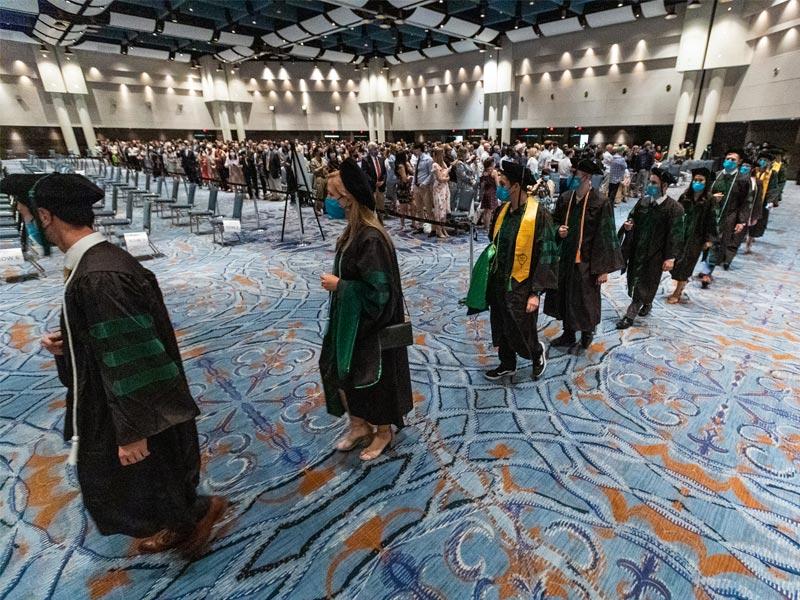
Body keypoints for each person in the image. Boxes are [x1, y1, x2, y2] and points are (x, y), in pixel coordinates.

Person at [0, 173, 227, 558]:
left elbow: (133, 353)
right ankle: (184, 519)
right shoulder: (95, 264)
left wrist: (132, 429)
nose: (27, 223)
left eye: (26, 214)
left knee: (143, 474)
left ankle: (193, 520)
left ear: (45, 214)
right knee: (149, 475)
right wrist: (72, 345)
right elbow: (113, 336)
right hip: (124, 397)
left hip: (136, 402)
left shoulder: (100, 275)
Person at [319, 158, 413, 462]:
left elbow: (379, 294)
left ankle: (384, 432)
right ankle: (358, 425)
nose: (330, 201)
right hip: (352, 321)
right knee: (341, 371)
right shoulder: (353, 231)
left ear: (349, 199)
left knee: (373, 379)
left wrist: (341, 287)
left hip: (372, 325)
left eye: (334, 196)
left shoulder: (371, 238)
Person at [466, 162, 558, 381]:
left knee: (521, 327)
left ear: (516, 187)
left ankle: (537, 354)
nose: (501, 187)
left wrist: (536, 292)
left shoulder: (539, 216)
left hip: (522, 284)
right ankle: (507, 363)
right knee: (501, 323)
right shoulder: (503, 211)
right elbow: (493, 241)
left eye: (504, 183)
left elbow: (547, 255)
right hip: (499, 279)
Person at [544, 158, 623, 349]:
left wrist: (603, 269)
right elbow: (553, 222)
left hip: (588, 260)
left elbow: (606, 235)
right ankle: (568, 334)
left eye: (574, 174)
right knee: (564, 296)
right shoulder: (565, 198)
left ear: (586, 177)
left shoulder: (601, 202)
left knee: (585, 298)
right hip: (565, 258)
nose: (571, 177)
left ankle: (587, 331)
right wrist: (557, 230)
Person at [616, 167, 685, 329]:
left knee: (646, 281)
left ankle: (630, 314)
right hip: (638, 249)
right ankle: (647, 302)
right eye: (650, 182)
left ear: (665, 186)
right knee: (635, 279)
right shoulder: (644, 202)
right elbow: (632, 217)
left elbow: (676, 235)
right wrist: (628, 225)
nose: (650, 186)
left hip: (656, 254)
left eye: (654, 183)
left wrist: (670, 257)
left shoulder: (674, 209)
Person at [697, 149, 750, 287]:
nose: (729, 161)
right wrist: (711, 198)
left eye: (733, 159)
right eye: (728, 158)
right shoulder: (716, 175)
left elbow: (745, 202)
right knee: (707, 242)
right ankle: (705, 266)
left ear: (739, 162)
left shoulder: (742, 180)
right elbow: (705, 193)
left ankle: (708, 272)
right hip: (711, 215)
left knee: (718, 243)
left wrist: (741, 221)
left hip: (728, 216)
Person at [667, 167, 717, 304]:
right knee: (676, 263)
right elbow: (676, 213)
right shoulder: (685, 196)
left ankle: (677, 292)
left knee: (687, 264)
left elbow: (712, 219)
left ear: (706, 182)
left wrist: (709, 239)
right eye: (695, 180)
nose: (697, 182)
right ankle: (682, 282)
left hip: (696, 237)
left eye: (700, 180)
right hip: (681, 235)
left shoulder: (709, 200)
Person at [411, 143, 434, 233]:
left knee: (428, 208)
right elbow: (415, 173)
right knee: (419, 208)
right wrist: (413, 186)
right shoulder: (417, 159)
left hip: (425, 187)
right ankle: (421, 226)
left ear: (419, 149)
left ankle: (433, 228)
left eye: (415, 149)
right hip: (417, 186)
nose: (413, 151)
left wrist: (424, 183)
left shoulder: (428, 159)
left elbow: (431, 174)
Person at [431, 147, 451, 239]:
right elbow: (440, 178)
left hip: (445, 188)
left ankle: (443, 228)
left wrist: (446, 178)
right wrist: (446, 178)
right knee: (439, 209)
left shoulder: (443, 163)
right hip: (438, 188)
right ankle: (438, 230)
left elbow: (447, 176)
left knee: (445, 208)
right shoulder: (434, 165)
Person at [362, 142, 387, 214]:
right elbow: (365, 174)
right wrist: (374, 182)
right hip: (372, 187)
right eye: (375, 149)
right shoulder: (365, 160)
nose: (377, 150)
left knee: (381, 208)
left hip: (381, 187)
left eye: (377, 149)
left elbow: (385, 173)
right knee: (372, 209)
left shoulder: (382, 159)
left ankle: (381, 223)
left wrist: (382, 182)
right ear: (370, 150)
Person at [478, 156, 498, 232]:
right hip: (492, 192)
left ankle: (485, 226)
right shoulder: (494, 172)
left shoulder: (484, 172)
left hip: (485, 192)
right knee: (489, 211)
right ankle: (487, 228)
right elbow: (497, 184)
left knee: (486, 211)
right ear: (492, 163)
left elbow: (482, 184)